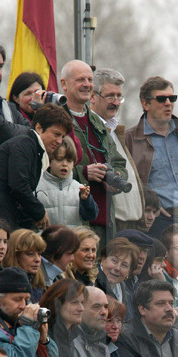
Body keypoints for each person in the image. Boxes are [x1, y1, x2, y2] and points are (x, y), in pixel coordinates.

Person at [125, 76, 178, 247]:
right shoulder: (130, 138)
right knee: (157, 274)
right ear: (145, 104)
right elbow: (129, 184)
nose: (168, 103)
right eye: (161, 99)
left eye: (172, 98)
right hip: (157, 224)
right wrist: (150, 209)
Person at [60, 60, 130, 247]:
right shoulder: (56, 120)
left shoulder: (97, 122)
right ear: (64, 84)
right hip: (74, 223)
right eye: (80, 79)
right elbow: (47, 168)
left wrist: (116, 179)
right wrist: (84, 173)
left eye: (89, 79)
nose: (86, 84)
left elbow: (119, 164)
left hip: (105, 224)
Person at [0, 104, 73, 230]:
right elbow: (18, 185)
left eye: (62, 136)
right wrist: (39, 212)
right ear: (39, 128)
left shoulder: (32, 147)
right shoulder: (25, 144)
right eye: (56, 134)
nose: (59, 141)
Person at [89, 68, 145, 229]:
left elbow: (121, 168)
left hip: (128, 223)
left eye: (118, 96)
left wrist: (120, 174)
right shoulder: (88, 129)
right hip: (108, 223)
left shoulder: (114, 130)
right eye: (110, 96)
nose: (115, 102)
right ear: (93, 97)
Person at [36, 135, 98, 227]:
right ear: (49, 161)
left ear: (73, 164)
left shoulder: (79, 188)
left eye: (69, 161)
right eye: (59, 159)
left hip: (71, 240)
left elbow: (91, 216)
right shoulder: (37, 186)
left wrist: (86, 200)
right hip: (45, 239)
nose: (64, 164)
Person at [40, 278, 86, 357]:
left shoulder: (73, 335)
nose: (81, 308)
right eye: (74, 302)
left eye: (82, 302)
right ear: (57, 304)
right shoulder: (44, 335)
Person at [1, 228, 46, 302]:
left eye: (39, 254)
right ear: (15, 255)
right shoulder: (5, 285)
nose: (38, 259)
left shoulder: (38, 285)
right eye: (30, 254)